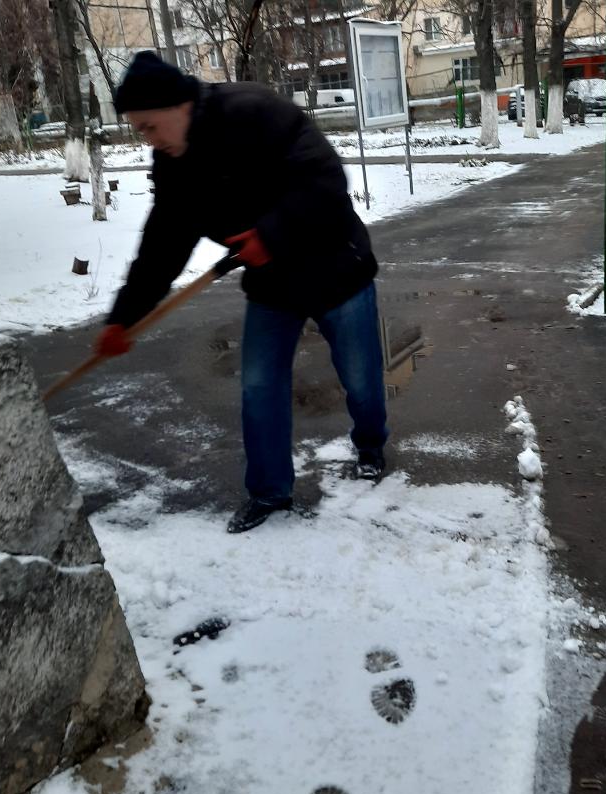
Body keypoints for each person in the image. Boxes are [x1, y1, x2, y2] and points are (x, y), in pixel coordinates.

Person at [96, 51, 388, 533]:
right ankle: (270, 491)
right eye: (140, 130)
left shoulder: (252, 110)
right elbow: (163, 244)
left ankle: (371, 446)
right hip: (273, 285)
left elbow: (326, 179)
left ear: (178, 105)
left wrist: (270, 236)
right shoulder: (173, 163)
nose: (148, 139)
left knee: (360, 377)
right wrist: (123, 318)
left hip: (336, 266)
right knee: (259, 386)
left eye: (148, 126)